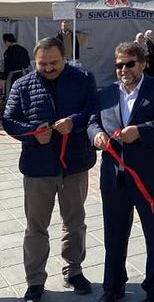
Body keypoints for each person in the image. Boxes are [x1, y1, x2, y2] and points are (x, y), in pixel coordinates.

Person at [3, 37, 97, 302]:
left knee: (75, 223)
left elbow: (93, 109)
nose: (48, 68)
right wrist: (33, 134)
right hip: (37, 168)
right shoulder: (23, 84)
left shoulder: (82, 78)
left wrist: (75, 123)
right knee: (36, 227)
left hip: (74, 164)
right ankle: (35, 280)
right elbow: (9, 120)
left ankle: (74, 270)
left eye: (54, 62)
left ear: (65, 57)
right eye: (42, 63)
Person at [87, 42, 154, 302]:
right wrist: (96, 136)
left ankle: (153, 286)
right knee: (114, 234)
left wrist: (141, 131)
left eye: (129, 63)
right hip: (114, 175)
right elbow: (93, 122)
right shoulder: (104, 92)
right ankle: (113, 286)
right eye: (119, 65)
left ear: (142, 64)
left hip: (150, 175)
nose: (123, 69)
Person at [1, 32, 31, 97]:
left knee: (14, 95)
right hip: (26, 74)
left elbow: (7, 67)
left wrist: (3, 79)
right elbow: (28, 63)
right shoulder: (23, 49)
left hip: (16, 76)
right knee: (25, 94)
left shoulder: (9, 52)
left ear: (6, 41)